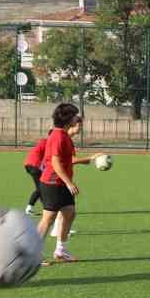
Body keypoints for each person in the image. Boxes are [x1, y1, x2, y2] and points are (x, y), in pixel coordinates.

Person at [36, 103, 95, 263]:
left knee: (69, 213)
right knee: (48, 218)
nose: (78, 118)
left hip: (61, 183)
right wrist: (69, 183)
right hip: (52, 182)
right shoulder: (57, 136)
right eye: (75, 115)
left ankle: (60, 251)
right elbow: (55, 163)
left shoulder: (65, 136)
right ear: (68, 118)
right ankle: (34, 253)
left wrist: (88, 159)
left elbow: (69, 159)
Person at [23, 133, 49, 214]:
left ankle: (46, 207)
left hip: (28, 165)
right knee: (40, 188)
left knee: (41, 187)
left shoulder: (44, 142)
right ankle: (29, 208)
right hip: (35, 166)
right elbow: (46, 159)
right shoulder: (48, 143)